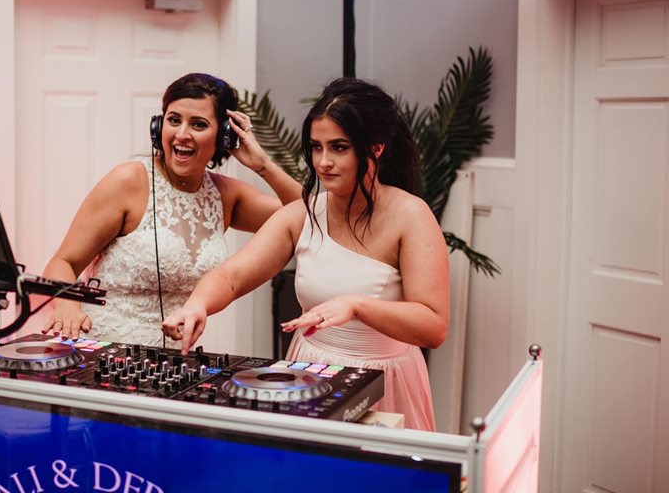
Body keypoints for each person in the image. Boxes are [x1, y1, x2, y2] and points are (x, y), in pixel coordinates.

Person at [161, 77, 449, 431]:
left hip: (386, 379)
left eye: (339, 147)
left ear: (375, 148)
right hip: (310, 373)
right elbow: (231, 276)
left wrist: (358, 305)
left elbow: (433, 326)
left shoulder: (412, 215)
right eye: (316, 147)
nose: (323, 162)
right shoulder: (305, 213)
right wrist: (197, 305)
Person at [40, 72, 303, 346]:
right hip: (102, 351)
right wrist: (68, 306)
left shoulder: (226, 196)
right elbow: (63, 262)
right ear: (158, 126)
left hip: (173, 365)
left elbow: (310, 217)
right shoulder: (129, 181)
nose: (182, 134)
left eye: (198, 125)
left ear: (224, 136)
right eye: (174, 120)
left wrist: (263, 165)